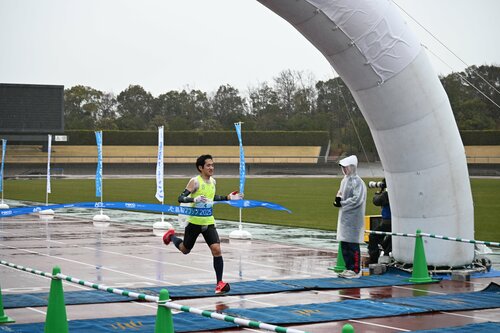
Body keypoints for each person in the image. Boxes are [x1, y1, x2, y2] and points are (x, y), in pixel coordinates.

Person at [162, 154, 241, 294]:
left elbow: (212, 198)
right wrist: (194, 198)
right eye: (208, 165)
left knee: (216, 249)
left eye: (212, 165)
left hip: (208, 221)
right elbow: (180, 197)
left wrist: (228, 197)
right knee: (185, 249)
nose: (211, 167)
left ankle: (219, 283)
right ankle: (171, 236)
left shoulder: (213, 182)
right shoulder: (195, 182)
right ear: (201, 167)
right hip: (194, 222)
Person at [332, 155, 367, 279]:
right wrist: (338, 200)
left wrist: (342, 203)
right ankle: (348, 267)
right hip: (345, 217)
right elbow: (341, 194)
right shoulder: (344, 180)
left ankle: (355, 269)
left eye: (345, 167)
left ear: (352, 167)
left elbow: (357, 199)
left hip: (354, 218)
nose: (344, 170)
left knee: (352, 244)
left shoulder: (357, 182)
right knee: (345, 244)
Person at [368, 179, 392, 264]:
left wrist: (380, 191)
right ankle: (386, 253)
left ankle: (374, 260)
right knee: (389, 239)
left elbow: (376, 201)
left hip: (388, 222)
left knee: (373, 236)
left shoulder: (388, 194)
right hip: (391, 222)